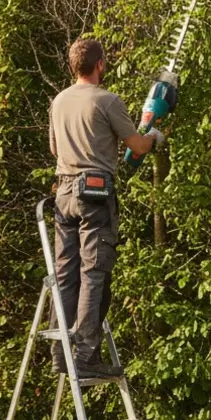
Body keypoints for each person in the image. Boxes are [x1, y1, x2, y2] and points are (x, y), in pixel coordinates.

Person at [48, 39, 163, 377]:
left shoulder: (58, 101)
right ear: (99, 65)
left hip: (63, 193)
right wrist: (154, 135)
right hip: (94, 195)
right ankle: (84, 358)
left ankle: (61, 355)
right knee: (94, 274)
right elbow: (138, 146)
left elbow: (55, 149)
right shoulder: (108, 100)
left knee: (66, 275)